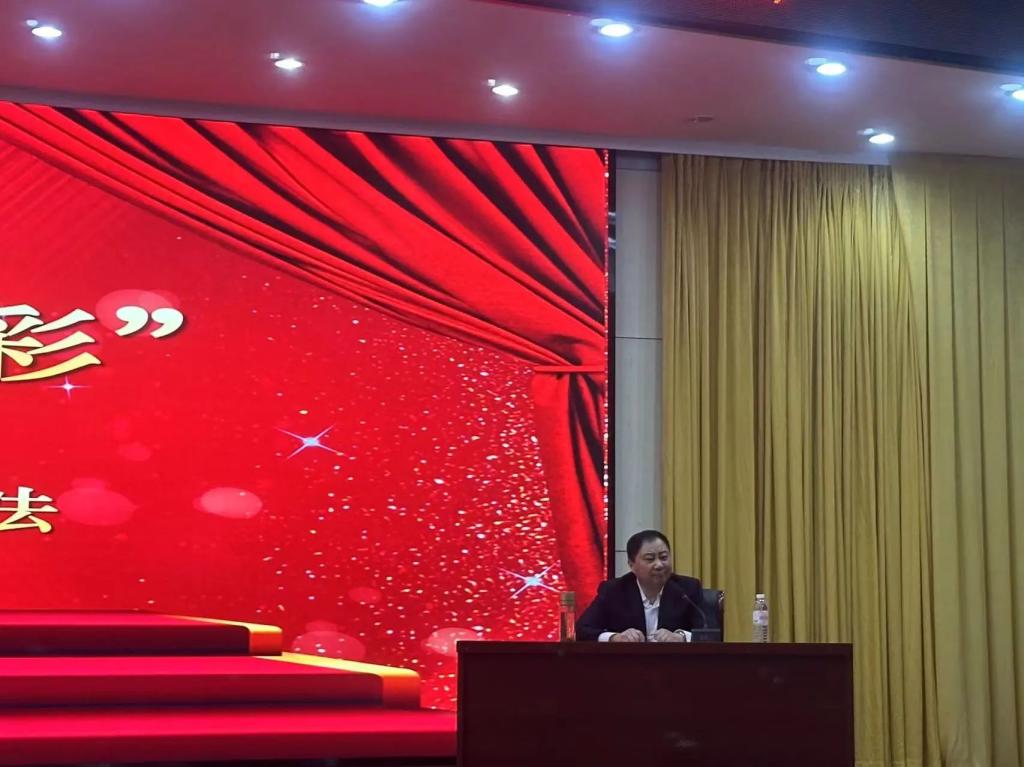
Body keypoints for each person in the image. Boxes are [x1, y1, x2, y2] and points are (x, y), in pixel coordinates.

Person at [576, 529, 703, 642]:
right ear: (632, 565)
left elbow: (708, 631)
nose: (659, 565)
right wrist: (615, 637)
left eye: (664, 557)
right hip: (629, 660)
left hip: (674, 660)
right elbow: (582, 629)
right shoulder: (614, 590)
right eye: (650, 559)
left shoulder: (687, 589)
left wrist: (681, 636)